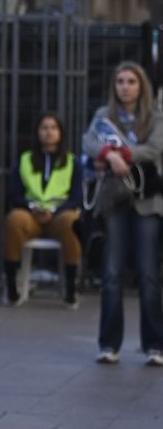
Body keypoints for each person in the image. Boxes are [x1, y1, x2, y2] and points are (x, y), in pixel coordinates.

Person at [83, 60, 163, 364]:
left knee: (148, 273)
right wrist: (106, 154)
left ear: (141, 85)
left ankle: (154, 345)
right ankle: (109, 344)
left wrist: (121, 155)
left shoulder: (155, 117)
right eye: (120, 82)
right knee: (112, 273)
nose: (125, 87)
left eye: (131, 81)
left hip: (147, 200)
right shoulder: (104, 116)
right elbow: (88, 142)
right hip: (115, 200)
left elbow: (154, 150)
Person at [3, 111, 82, 309]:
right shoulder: (24, 159)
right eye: (44, 128)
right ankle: (12, 287)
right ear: (37, 132)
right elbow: (14, 195)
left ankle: (71, 289)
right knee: (14, 220)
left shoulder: (72, 162)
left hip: (59, 216)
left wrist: (54, 212)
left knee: (72, 222)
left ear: (61, 133)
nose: (49, 132)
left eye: (53, 128)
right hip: (32, 215)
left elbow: (76, 198)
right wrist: (32, 208)